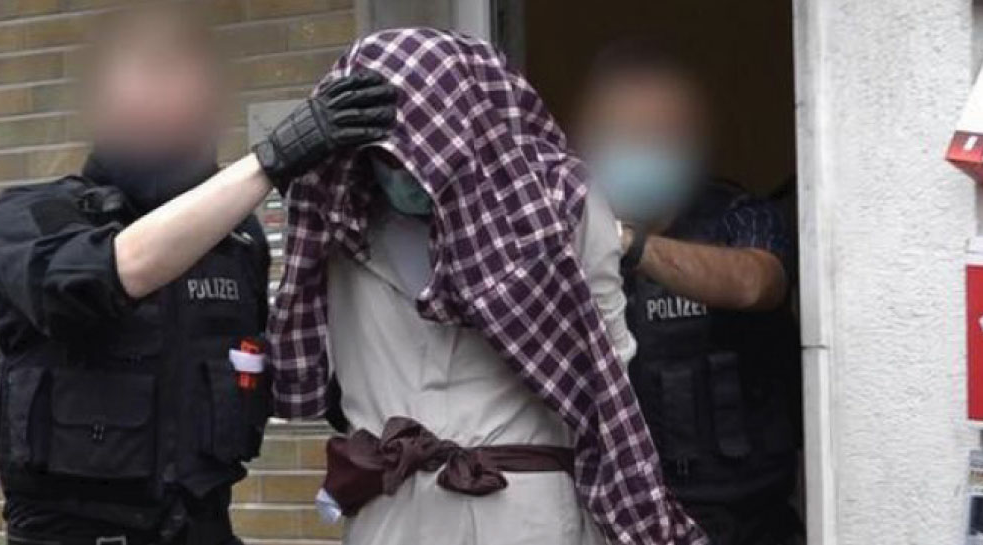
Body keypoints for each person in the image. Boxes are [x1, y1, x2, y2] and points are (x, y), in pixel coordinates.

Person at [0, 6, 397, 545]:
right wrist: (273, 160)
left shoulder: (238, 241)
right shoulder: (30, 217)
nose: (173, 94)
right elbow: (102, 277)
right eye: (151, 70)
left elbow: (283, 370)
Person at [271, 29, 706, 545]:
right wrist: (273, 158)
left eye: (417, 149)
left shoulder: (558, 204)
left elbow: (607, 370)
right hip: (393, 516)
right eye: (382, 156)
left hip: (524, 513)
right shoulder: (336, 219)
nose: (401, 171)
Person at [578, 40, 804, 545]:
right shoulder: (576, 233)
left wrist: (631, 246)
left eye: (658, 136)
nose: (641, 151)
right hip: (628, 516)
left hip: (749, 519)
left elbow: (757, 283)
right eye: (627, 136)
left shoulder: (738, 215)